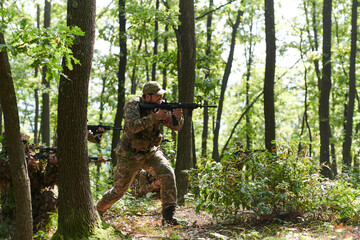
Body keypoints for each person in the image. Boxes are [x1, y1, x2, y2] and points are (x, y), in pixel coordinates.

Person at [96, 81, 184, 226]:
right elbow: (132, 126)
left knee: (167, 173)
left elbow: (176, 127)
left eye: (161, 96)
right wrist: (155, 117)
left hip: (150, 153)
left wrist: (177, 117)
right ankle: (98, 210)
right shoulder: (133, 104)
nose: (160, 99)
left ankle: (168, 218)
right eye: (157, 96)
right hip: (129, 153)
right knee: (119, 190)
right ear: (147, 96)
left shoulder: (160, 106)